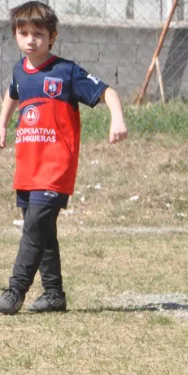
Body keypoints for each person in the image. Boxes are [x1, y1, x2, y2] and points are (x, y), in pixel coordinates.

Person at [0, 1, 127, 315]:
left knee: (34, 228)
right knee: (42, 231)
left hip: (56, 167)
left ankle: (15, 291)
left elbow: (107, 92)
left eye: (39, 34)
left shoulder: (66, 71)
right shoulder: (19, 70)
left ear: (52, 36)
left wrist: (117, 118)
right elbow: (13, 93)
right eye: (24, 32)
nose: (31, 39)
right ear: (16, 35)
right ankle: (54, 294)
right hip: (28, 167)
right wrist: (2, 124)